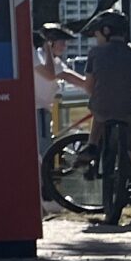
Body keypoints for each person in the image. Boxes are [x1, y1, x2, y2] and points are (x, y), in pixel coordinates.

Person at [84, 8, 131, 225]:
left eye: (97, 33)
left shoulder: (95, 54)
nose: (96, 38)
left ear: (106, 31)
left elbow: (89, 87)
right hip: (128, 111)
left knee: (98, 109)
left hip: (103, 110)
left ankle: (92, 145)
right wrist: (130, 89)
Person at [35, 22, 87, 211]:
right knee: (45, 156)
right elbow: (60, 76)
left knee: (44, 155)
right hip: (37, 111)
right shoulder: (40, 57)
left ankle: (46, 198)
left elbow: (76, 80)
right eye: (61, 42)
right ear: (50, 42)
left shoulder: (54, 62)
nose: (65, 46)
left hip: (42, 111)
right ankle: (48, 198)